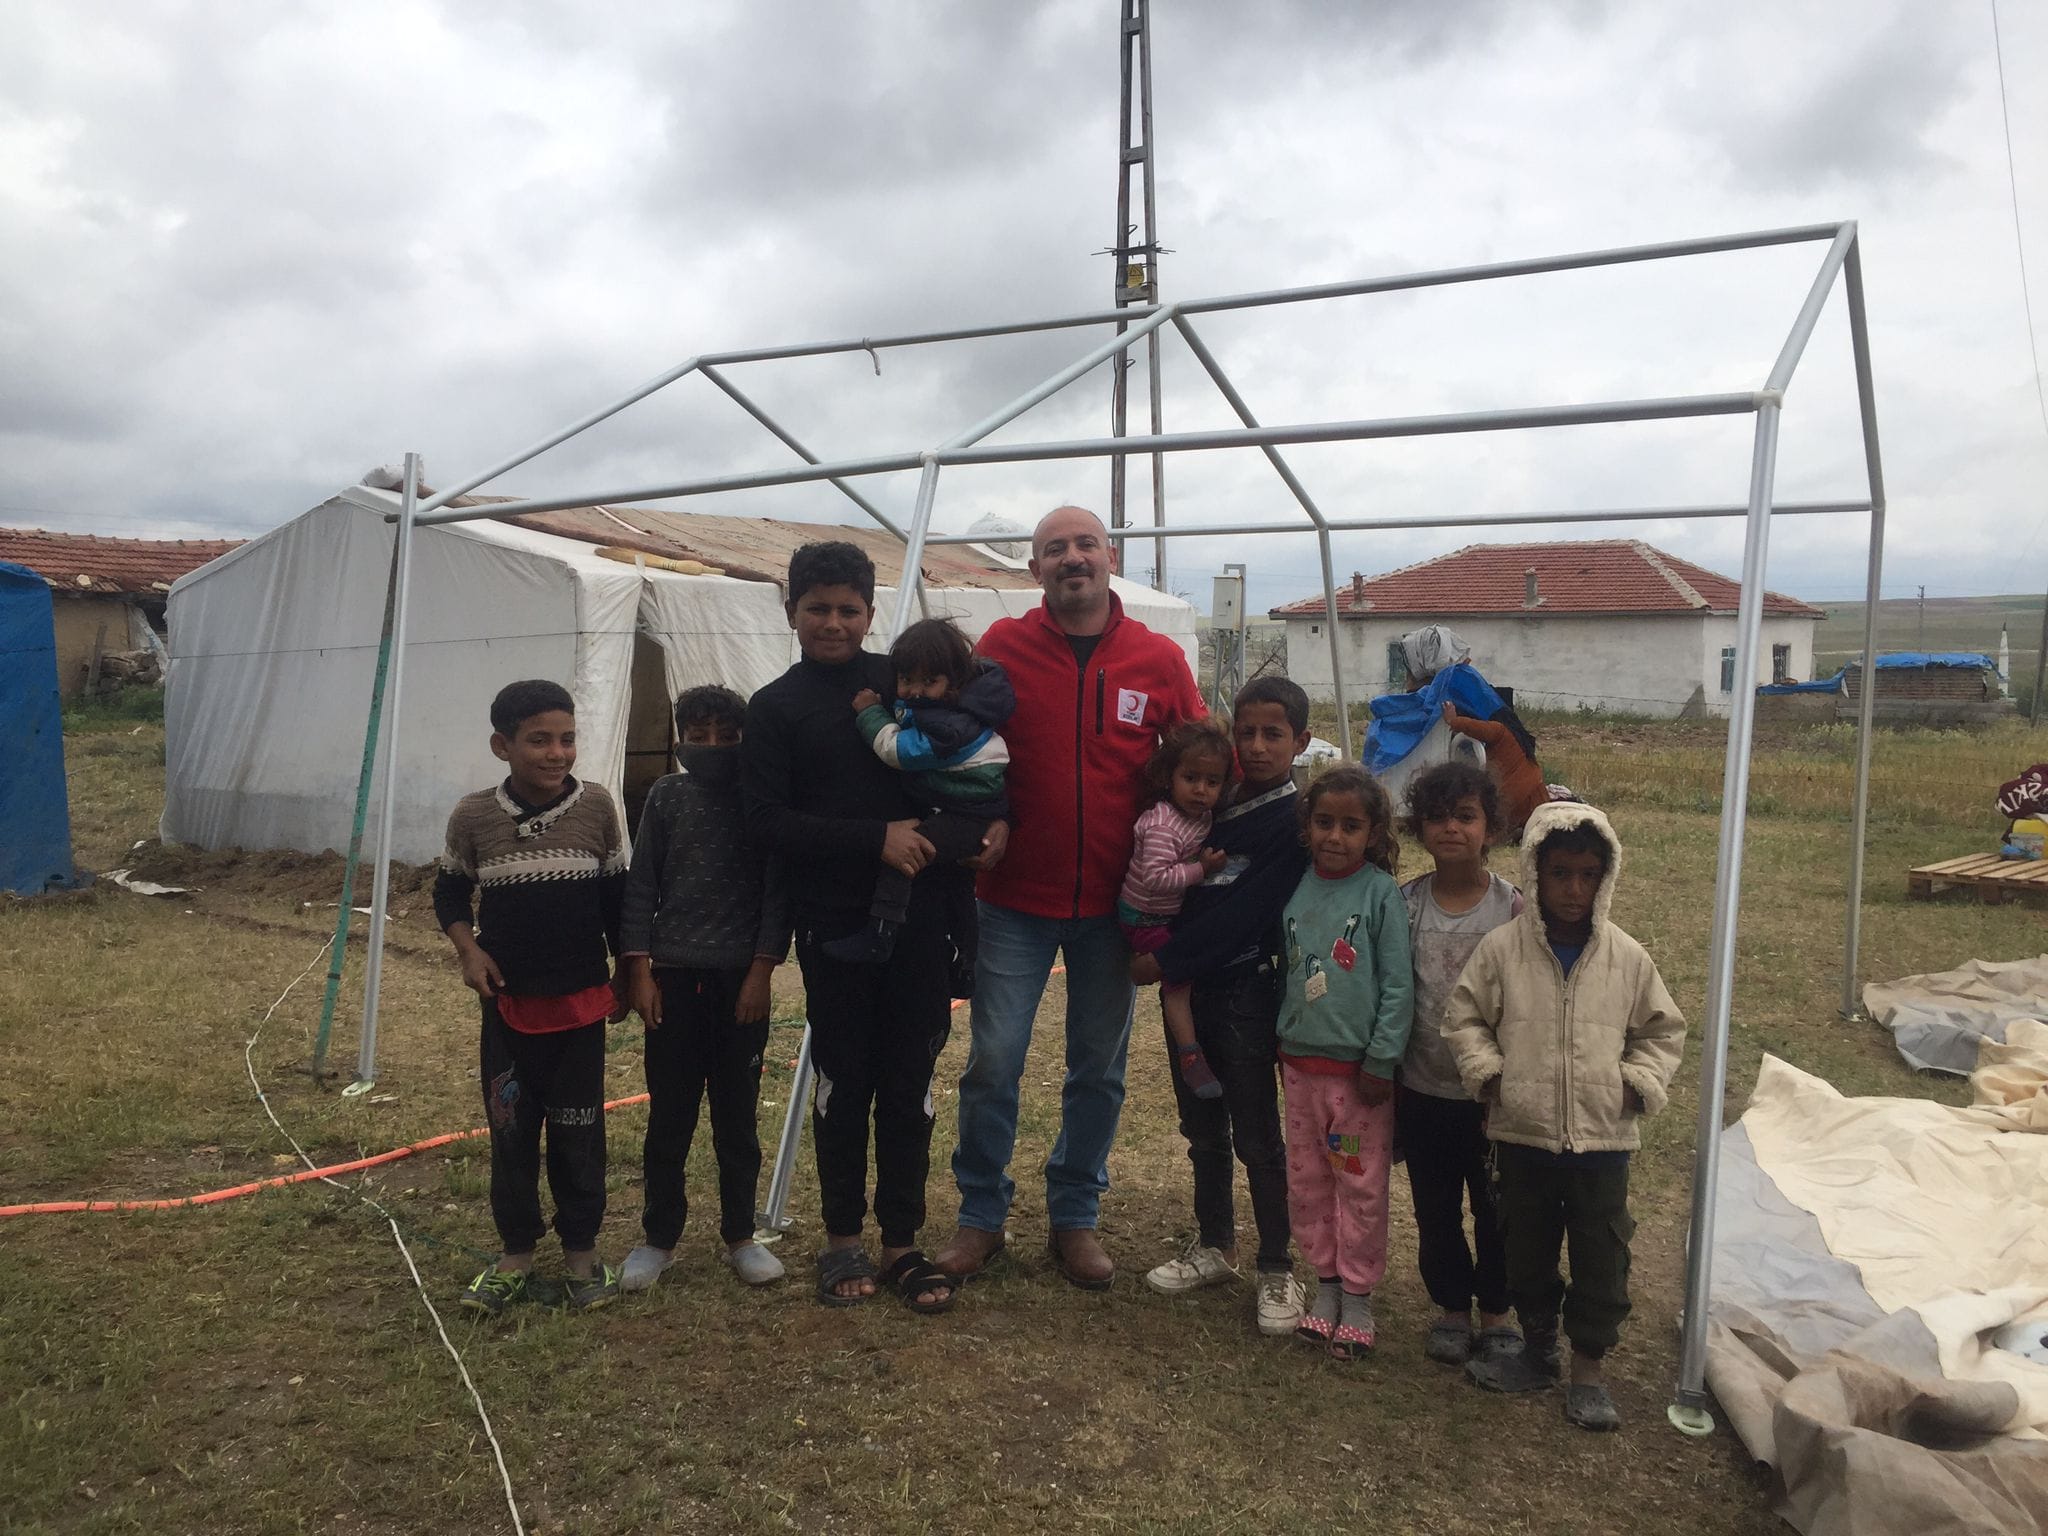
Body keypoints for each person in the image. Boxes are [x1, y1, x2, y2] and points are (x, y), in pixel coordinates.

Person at [933, 505, 1205, 1291]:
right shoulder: (1001, 651)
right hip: (1012, 899)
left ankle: (1074, 1215)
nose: (1072, 558)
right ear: (1035, 570)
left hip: (1118, 912)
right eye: (1055, 549)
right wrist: (980, 821)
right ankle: (980, 1216)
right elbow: (957, 749)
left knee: (1099, 1069)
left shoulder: (1156, 659)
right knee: (993, 1061)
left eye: (1085, 544)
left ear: (1110, 556)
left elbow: (1200, 764)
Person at [741, 542, 964, 1314]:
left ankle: (902, 1240)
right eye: (817, 609)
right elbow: (767, 822)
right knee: (844, 1083)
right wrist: (876, 839)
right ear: (791, 611)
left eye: (848, 609)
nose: (833, 623)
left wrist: (978, 830)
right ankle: (841, 1240)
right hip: (833, 924)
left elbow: (959, 767)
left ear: (872, 613)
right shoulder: (773, 709)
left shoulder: (901, 685)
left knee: (911, 1081)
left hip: (921, 920)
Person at [1444, 801, 1687, 1430]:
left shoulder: (1627, 958)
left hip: (1603, 1141)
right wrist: (1491, 1074)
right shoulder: (1502, 951)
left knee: (1601, 1252)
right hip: (1522, 1134)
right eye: (1559, 873)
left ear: (1605, 877)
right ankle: (1535, 1346)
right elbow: (1465, 1016)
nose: (1573, 889)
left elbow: (1662, 1032)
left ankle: (1588, 1369)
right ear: (1534, 872)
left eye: (1586, 874)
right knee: (1524, 1245)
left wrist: (1638, 1082)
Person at [437, 679, 627, 1315]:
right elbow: (449, 894)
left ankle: (581, 1254)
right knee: (510, 1128)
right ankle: (515, 1253)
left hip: (580, 1006)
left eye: (567, 739)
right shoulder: (473, 817)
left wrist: (630, 973)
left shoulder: (598, 807)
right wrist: (470, 951)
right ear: (502, 744)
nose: (557, 753)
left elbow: (617, 903)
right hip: (508, 1005)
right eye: (539, 739)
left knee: (580, 1129)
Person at [1132, 677, 1314, 1337]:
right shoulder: (1212, 796)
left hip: (1243, 988)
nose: (1258, 747)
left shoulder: (1293, 823)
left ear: (1302, 740)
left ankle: (1275, 1265)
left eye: (1273, 734)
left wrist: (1165, 961)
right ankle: (1215, 1244)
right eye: (1247, 732)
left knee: (1257, 1136)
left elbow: (1246, 912)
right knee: (1200, 1125)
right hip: (1192, 994)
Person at [617, 684, 789, 1292]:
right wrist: (639, 971)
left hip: (740, 981)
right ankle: (658, 1238)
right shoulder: (665, 796)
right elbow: (641, 887)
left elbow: (778, 894)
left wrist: (762, 971)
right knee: (670, 1114)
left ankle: (740, 1236)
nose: (712, 746)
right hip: (672, 978)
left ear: (746, 738)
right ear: (680, 738)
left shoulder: (761, 800)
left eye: (726, 734)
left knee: (737, 1117)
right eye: (698, 735)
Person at [1275, 764, 1413, 1357]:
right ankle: (1324, 1285)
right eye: (1325, 823)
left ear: (1373, 832)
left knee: (1357, 1184)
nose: (1336, 836)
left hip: (1359, 1082)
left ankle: (1357, 1296)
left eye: (1351, 826)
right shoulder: (1296, 885)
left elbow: (1398, 986)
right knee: (1306, 1182)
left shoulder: (1380, 894)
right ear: (1307, 827)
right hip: (1300, 1070)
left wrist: (1382, 1059)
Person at [1396, 761, 1522, 1366]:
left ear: (1490, 827)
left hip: (1493, 1097)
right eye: (1438, 817)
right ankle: (1450, 1306)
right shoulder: (1406, 905)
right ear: (1420, 828)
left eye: (1466, 816)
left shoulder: (1514, 911)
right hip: (1421, 1088)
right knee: (1435, 1208)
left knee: (1495, 1208)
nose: (1452, 828)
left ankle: (1497, 1311)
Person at [828, 616, 1015, 996]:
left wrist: (870, 713)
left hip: (967, 815)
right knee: (960, 887)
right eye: (906, 679)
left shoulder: (950, 726)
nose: (914, 691)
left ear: (954, 682)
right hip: (967, 810)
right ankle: (965, 966)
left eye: (929, 681)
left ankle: (880, 933)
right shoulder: (954, 708)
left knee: (905, 853)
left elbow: (898, 751)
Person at [1119, 720, 1235, 1100]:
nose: (1201, 790)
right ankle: (1190, 1055)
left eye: (1212, 782)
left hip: (1164, 914)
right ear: (1170, 776)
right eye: (1191, 778)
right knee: (1178, 984)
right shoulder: (1164, 826)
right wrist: (1202, 870)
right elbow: (1155, 877)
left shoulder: (1199, 817)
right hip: (1145, 916)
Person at [1439, 699, 1547, 837]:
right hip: (1535, 794)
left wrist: (1454, 721)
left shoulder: (1500, 730)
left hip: (1515, 798)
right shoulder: (1517, 737)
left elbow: (1477, 728)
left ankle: (1510, 832)